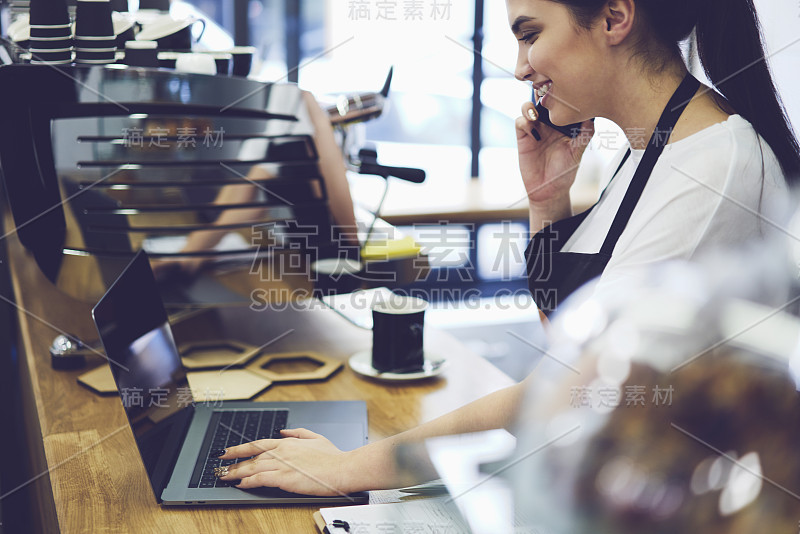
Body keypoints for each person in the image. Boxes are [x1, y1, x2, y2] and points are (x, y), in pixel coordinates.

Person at [213, 0, 800, 495]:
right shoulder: (655, 147)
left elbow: (574, 384)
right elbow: (570, 339)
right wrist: (548, 198)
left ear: (615, 17)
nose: (520, 67)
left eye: (529, 34)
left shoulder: (714, 161)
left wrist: (348, 469)